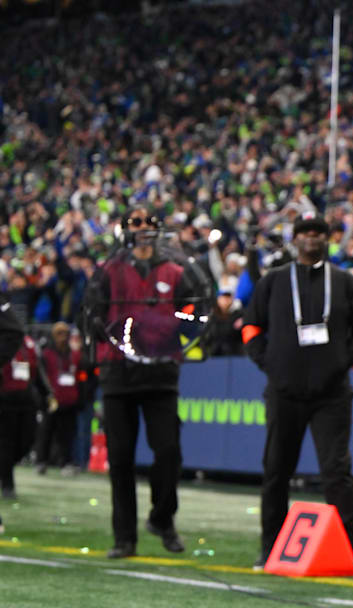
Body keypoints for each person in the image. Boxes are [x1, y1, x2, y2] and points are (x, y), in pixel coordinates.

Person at [242, 211, 353, 570]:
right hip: (283, 391)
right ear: (294, 239)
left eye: (318, 232)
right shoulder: (274, 281)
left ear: (327, 239)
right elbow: (250, 325)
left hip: (331, 393)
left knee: (337, 473)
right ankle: (270, 547)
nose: (311, 238)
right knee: (275, 470)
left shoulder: (345, 282)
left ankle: (351, 550)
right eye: (304, 232)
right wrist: (267, 363)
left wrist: (339, 362)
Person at [84, 206, 206, 558]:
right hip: (118, 374)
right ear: (125, 230)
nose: (142, 228)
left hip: (160, 373)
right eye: (135, 223)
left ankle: (162, 518)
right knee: (120, 459)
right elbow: (93, 315)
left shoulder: (177, 272)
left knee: (168, 452)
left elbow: (192, 315)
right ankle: (124, 539)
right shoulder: (107, 271)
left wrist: (172, 327)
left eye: (148, 223)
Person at [0, 294, 43, 500]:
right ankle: (7, 483)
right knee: (6, 442)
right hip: (5, 395)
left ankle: (5, 469)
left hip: (26, 396)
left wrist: (44, 393)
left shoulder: (28, 344)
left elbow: (37, 370)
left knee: (27, 439)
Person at [33, 322, 82, 474]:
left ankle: (66, 462)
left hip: (69, 398)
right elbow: (40, 376)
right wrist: (46, 395)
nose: (63, 337)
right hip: (52, 399)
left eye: (65, 334)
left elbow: (84, 370)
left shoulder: (74, 354)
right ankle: (41, 461)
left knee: (67, 433)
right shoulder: (47, 353)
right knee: (46, 431)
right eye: (59, 334)